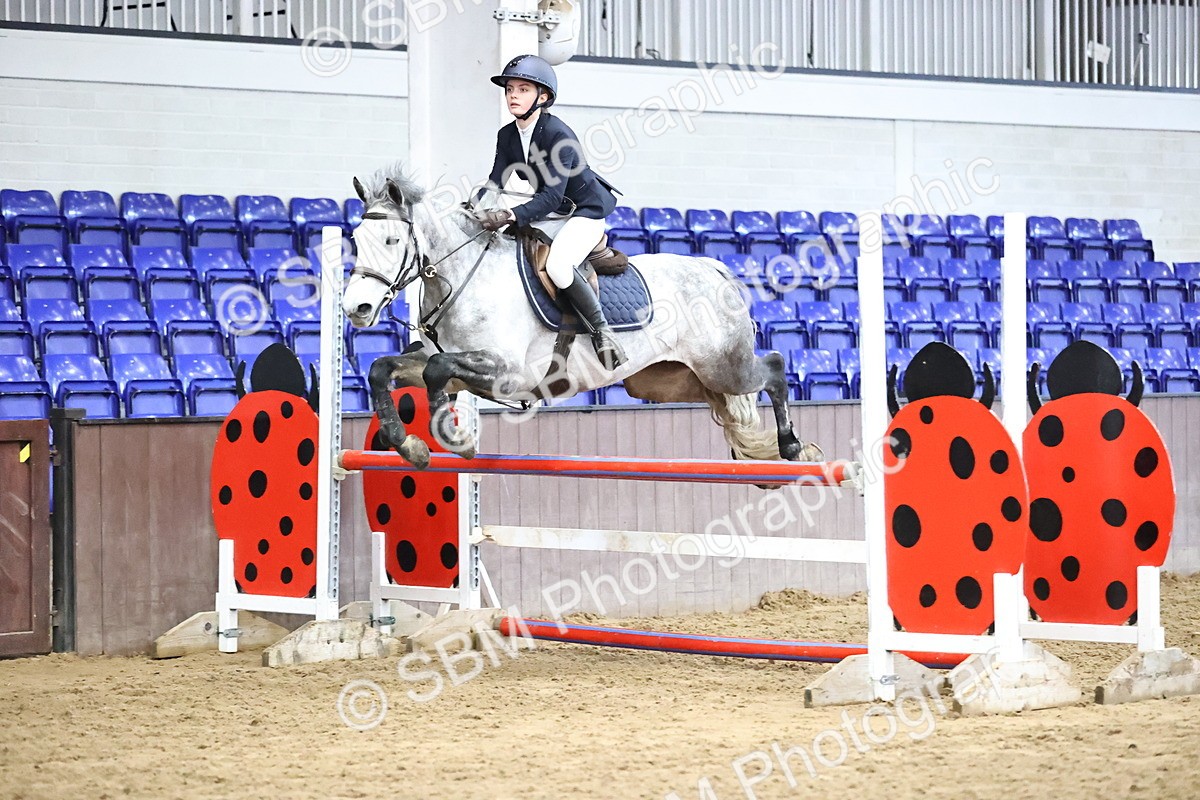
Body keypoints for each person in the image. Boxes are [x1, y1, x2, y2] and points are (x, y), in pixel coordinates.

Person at [473, 54, 627, 369]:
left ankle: (603, 333)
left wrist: (507, 215)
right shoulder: (507, 134)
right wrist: (473, 207)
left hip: (584, 212)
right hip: (554, 210)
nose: (513, 95)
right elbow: (496, 180)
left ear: (543, 97)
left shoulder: (559, 135)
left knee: (557, 265)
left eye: (523, 89)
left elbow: (551, 197)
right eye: (510, 89)